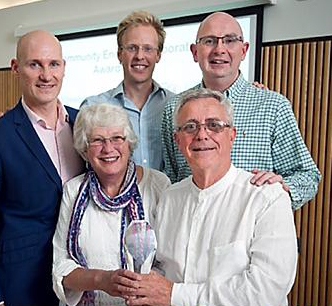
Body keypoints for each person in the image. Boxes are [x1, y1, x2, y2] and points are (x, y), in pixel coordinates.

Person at [126, 88, 298, 306]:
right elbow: (163, 266)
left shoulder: (267, 197)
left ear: (232, 135)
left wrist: (174, 295)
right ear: (177, 140)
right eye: (190, 127)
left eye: (214, 125)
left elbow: (265, 291)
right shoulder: (169, 198)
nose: (202, 135)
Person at [0, 30, 85, 306]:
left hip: (79, 286)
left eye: (53, 64)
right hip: (19, 288)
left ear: (64, 68)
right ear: (16, 68)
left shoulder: (84, 126)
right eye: (34, 65)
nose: (46, 75)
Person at [162, 11, 321, 209]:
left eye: (230, 40)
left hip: (253, 230)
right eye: (209, 41)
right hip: (191, 227)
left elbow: (308, 176)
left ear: (244, 50)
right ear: (195, 52)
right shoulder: (175, 108)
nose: (219, 49)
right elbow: (170, 177)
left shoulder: (273, 106)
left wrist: (281, 187)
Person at [52, 103, 171, 305]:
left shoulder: (158, 185)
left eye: (117, 138)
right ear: (84, 149)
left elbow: (170, 262)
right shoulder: (73, 191)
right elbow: (61, 266)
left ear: (129, 144)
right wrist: (102, 280)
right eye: (97, 140)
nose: (108, 148)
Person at [81, 11, 175, 170]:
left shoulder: (175, 106)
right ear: (119, 55)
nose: (140, 56)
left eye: (148, 49)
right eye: (132, 48)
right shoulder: (93, 107)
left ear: (158, 55)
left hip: (166, 194)